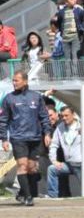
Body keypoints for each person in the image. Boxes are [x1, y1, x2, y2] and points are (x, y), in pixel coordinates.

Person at [0, 71, 52, 206]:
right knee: (22, 165)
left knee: (32, 168)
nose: (14, 83)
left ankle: (22, 192)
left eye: (16, 80)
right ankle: (29, 197)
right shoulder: (9, 99)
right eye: (13, 80)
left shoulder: (36, 97)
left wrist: (47, 133)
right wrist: (4, 139)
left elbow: (44, 116)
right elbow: (3, 120)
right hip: (18, 138)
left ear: (25, 81)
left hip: (35, 138)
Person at [47, 107, 84, 198]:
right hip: (69, 164)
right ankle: (53, 196)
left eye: (66, 115)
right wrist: (54, 160)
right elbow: (54, 145)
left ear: (73, 115)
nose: (64, 118)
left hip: (82, 164)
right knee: (52, 169)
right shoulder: (60, 128)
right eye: (62, 116)